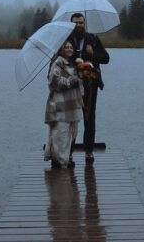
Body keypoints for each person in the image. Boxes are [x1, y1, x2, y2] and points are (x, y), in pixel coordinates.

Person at [69, 12, 110, 164]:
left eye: (81, 22)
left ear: (84, 24)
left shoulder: (93, 39)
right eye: (75, 23)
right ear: (71, 24)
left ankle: (89, 151)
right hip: (71, 85)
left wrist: (92, 54)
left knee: (89, 118)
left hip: (90, 85)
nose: (78, 25)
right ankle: (69, 151)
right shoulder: (66, 40)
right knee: (71, 119)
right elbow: (58, 59)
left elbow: (106, 58)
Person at [44, 40, 83, 170]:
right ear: (61, 49)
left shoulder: (75, 63)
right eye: (66, 47)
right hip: (60, 105)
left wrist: (83, 78)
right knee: (60, 134)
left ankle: (63, 160)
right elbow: (53, 83)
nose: (69, 49)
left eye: (71, 47)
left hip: (73, 104)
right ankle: (60, 162)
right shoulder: (57, 62)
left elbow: (79, 85)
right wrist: (71, 81)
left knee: (72, 133)